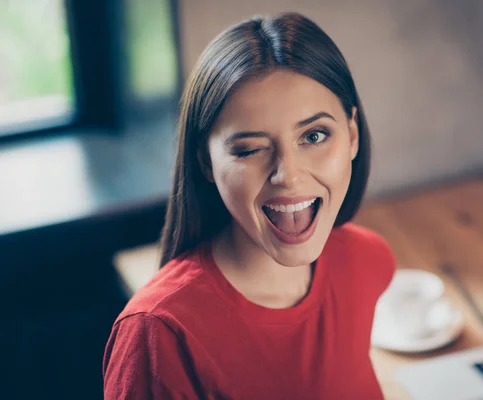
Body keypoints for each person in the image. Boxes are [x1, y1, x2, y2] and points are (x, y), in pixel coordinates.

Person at [103, 12, 396, 399]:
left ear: (353, 135)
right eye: (249, 149)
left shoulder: (367, 261)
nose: (287, 175)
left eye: (314, 135)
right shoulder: (159, 336)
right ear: (206, 162)